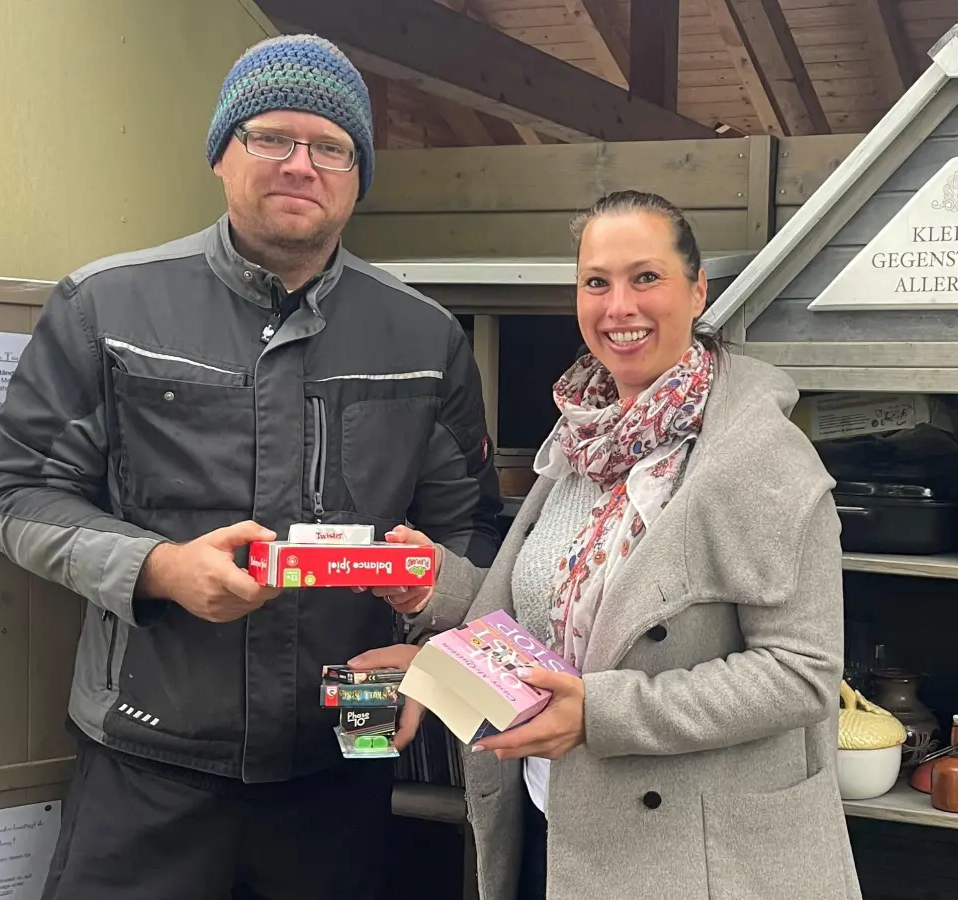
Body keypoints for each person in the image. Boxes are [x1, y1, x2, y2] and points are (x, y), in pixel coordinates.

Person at [0, 33, 502, 900]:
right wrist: (161, 569)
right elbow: (16, 492)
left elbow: (471, 533)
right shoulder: (104, 307)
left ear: (359, 174)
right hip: (146, 762)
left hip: (344, 757)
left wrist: (432, 656)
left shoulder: (425, 339)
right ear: (221, 155)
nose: (301, 164)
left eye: (330, 146)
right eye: (271, 138)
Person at [352, 190, 863, 900]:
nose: (618, 305)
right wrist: (435, 591)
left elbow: (801, 674)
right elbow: (553, 627)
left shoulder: (761, 459)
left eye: (644, 278)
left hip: (691, 859)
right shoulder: (582, 440)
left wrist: (601, 713)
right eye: (597, 282)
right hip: (552, 827)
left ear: (696, 289)